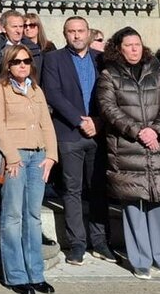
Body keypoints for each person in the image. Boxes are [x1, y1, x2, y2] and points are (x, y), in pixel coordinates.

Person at [96, 26, 160, 280]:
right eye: (128, 45)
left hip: (158, 146)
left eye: (137, 44)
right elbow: (108, 108)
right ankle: (140, 260)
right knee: (134, 204)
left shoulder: (157, 73)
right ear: (118, 49)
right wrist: (138, 131)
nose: (134, 49)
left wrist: (156, 130)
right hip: (128, 148)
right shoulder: (109, 75)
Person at [41, 16, 113, 266]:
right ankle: (77, 244)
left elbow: (111, 95)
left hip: (98, 132)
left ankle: (100, 241)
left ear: (89, 33)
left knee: (97, 188)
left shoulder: (101, 59)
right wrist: (79, 120)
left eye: (81, 31)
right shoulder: (53, 59)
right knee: (71, 190)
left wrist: (98, 121)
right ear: (65, 34)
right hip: (69, 133)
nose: (76, 35)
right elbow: (53, 93)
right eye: (71, 31)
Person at [0, 43, 57, 294]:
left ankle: (36, 274)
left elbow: (47, 125)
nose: (22, 65)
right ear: (8, 65)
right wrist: (12, 156)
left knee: (33, 216)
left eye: (26, 61)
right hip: (14, 159)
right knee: (12, 217)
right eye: (17, 62)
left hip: (38, 158)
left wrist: (51, 155)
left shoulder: (36, 89)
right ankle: (16, 276)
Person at [0, 10, 42, 74]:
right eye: (14, 27)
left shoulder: (33, 50)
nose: (18, 31)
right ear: (3, 29)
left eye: (21, 26)